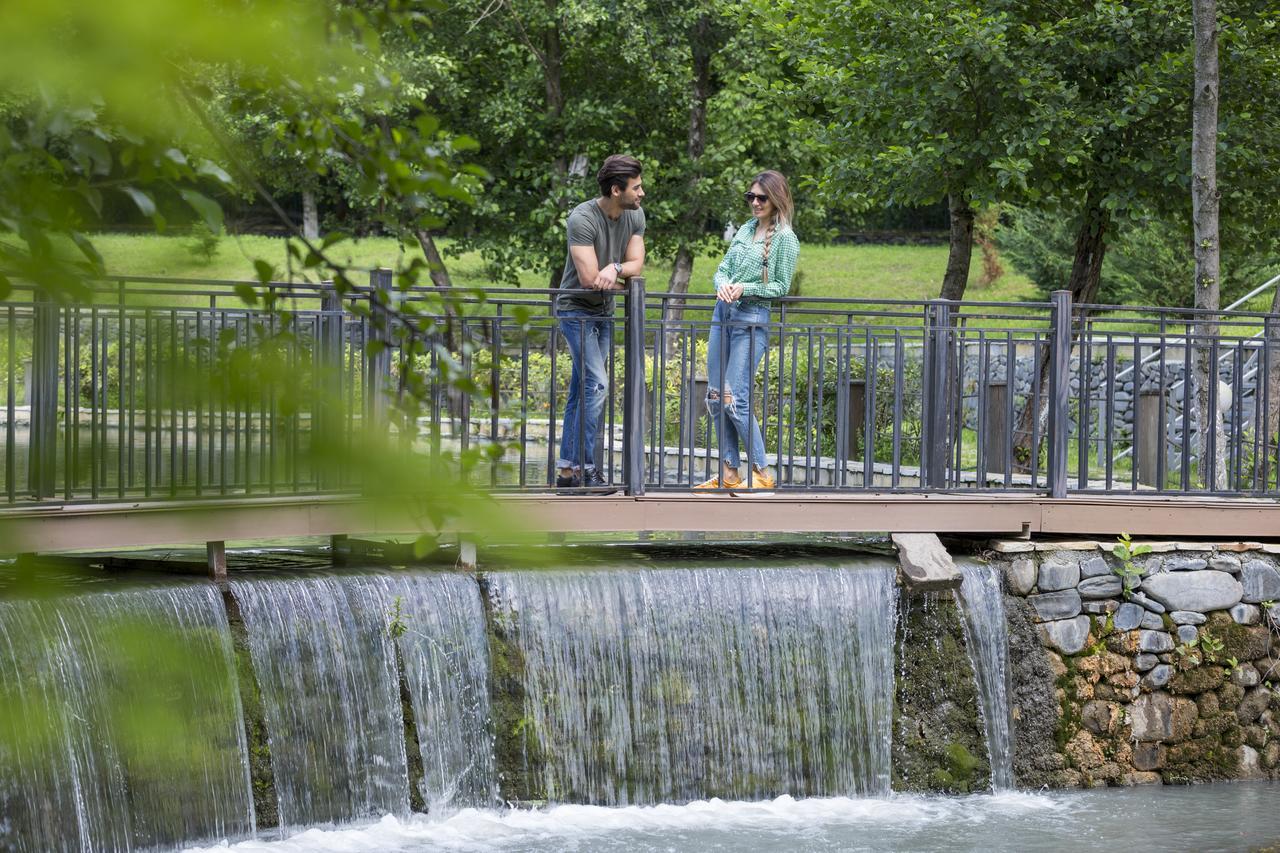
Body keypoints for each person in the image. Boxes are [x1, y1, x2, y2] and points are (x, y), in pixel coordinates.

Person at [695, 170, 799, 493]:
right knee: (715, 397)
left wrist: (745, 288)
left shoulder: (785, 239)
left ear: (776, 199)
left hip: (752, 317)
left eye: (761, 198)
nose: (754, 202)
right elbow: (722, 268)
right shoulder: (745, 229)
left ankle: (762, 471)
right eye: (750, 197)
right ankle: (729, 472)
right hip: (723, 313)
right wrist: (723, 285)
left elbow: (781, 286)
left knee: (733, 398)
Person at [555, 154, 646, 493]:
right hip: (575, 309)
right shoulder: (582, 218)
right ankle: (587, 468)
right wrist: (607, 274)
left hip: (603, 311)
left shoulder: (634, 215)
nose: (642, 193)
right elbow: (589, 277)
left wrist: (616, 269)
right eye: (636, 188)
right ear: (615, 189)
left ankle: (567, 472)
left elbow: (636, 262)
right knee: (597, 385)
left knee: (582, 391)